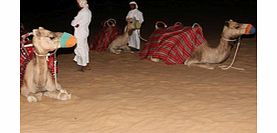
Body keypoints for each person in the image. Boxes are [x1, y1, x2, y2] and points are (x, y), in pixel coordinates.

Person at [71, 0, 92, 72]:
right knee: (85, 48)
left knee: (80, 48)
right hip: (85, 31)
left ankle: (84, 65)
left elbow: (73, 22)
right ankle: (86, 63)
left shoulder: (82, 12)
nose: (77, 4)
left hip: (80, 32)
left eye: (78, 3)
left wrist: (75, 24)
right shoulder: (88, 11)